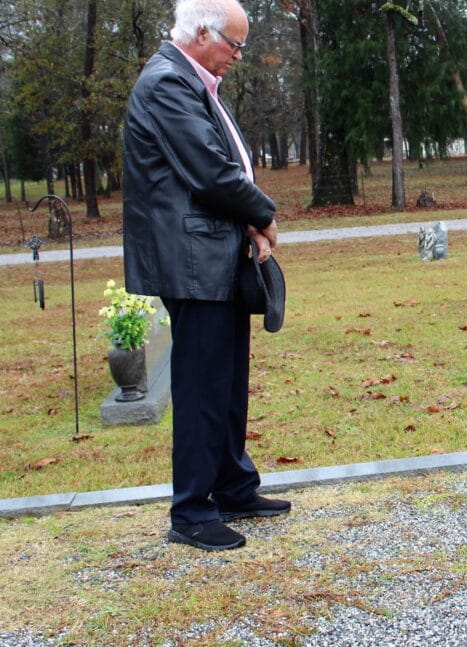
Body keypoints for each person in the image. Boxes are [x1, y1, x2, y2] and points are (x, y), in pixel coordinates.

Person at [123, 0, 290, 551]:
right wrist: (263, 215)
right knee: (201, 386)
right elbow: (211, 172)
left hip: (214, 253)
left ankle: (233, 486)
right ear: (200, 32)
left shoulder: (192, 82)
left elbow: (219, 168)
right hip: (191, 261)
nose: (239, 56)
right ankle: (192, 511)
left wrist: (248, 226)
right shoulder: (167, 83)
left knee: (227, 381)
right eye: (233, 44)